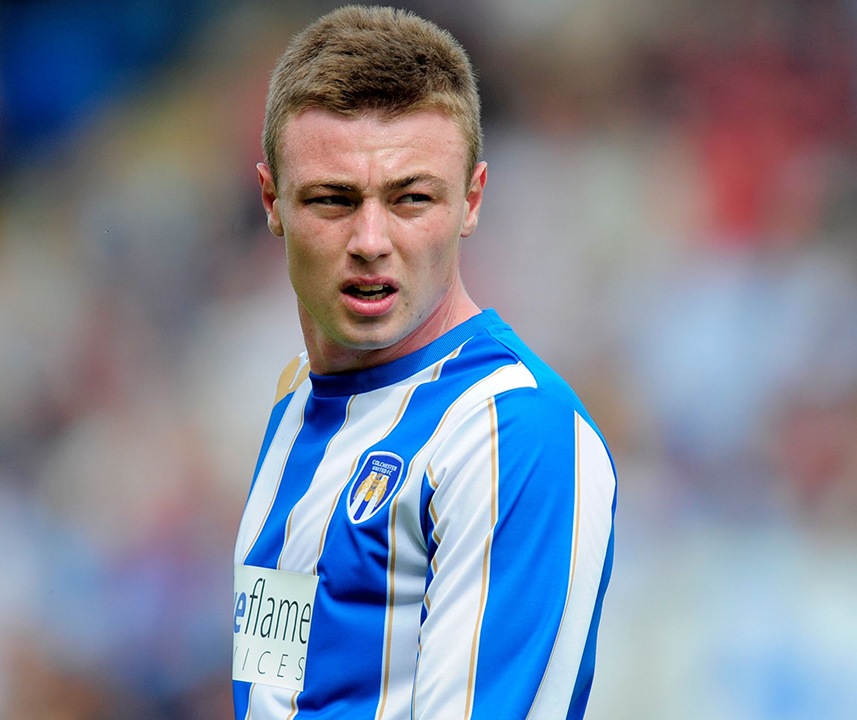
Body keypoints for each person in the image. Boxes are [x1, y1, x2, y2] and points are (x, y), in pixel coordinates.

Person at [232, 6, 616, 719]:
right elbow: (275, 692)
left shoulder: (510, 433)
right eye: (333, 199)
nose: (371, 239)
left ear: (471, 200)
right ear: (272, 200)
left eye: (411, 198)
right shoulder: (295, 412)